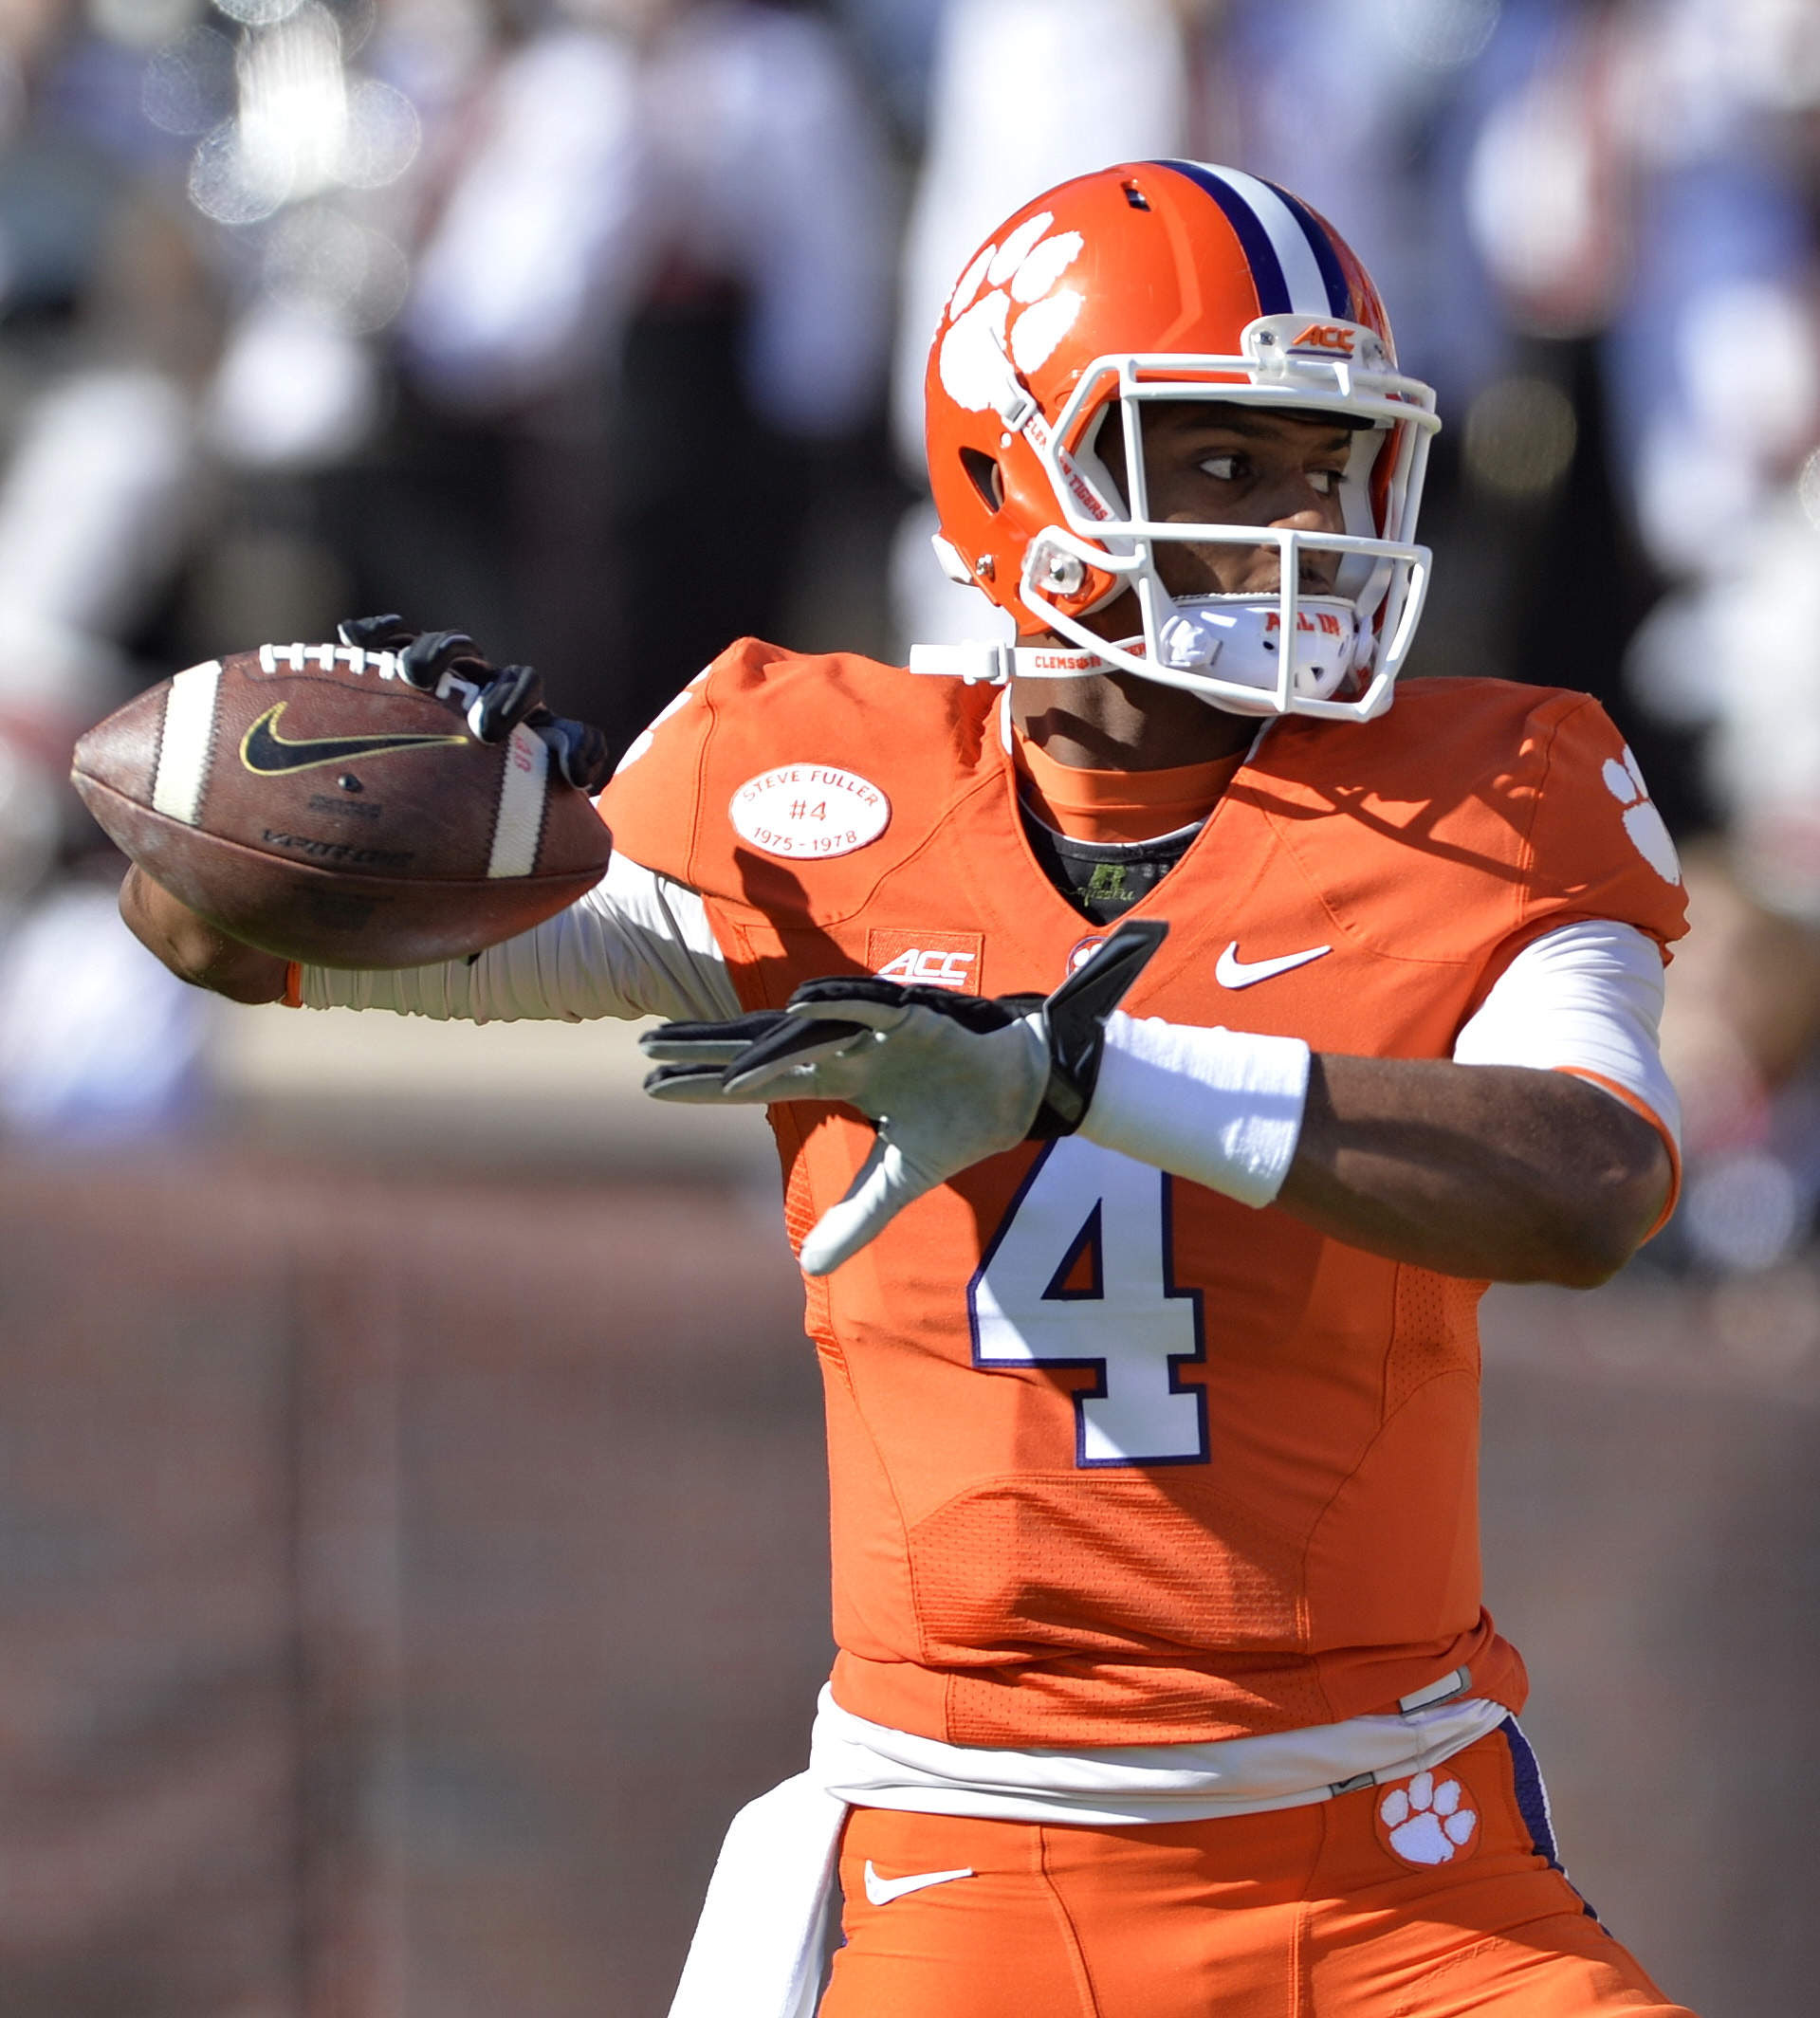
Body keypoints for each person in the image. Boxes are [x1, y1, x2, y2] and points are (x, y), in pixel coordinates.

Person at [121, 162, 1696, 2017]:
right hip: (975, 1874)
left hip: (1404, 1871)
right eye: (1219, 463)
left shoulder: (1487, 790)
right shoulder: (811, 802)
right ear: (1017, 476)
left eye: (1319, 463)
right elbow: (222, 942)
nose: (1301, 522)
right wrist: (374, 790)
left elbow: (1590, 1182)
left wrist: (1072, 1066)